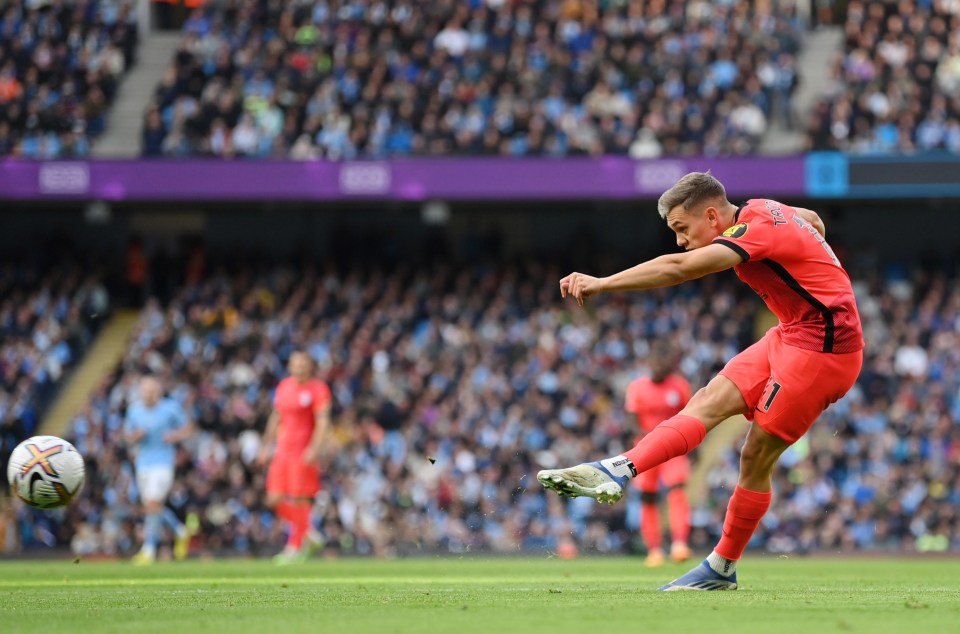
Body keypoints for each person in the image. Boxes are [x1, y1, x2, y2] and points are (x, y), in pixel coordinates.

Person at [538, 172, 863, 590]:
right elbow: (812, 219)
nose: (679, 240)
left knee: (755, 456)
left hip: (825, 351)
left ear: (712, 215)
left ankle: (721, 568)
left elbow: (679, 267)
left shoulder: (757, 225)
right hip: (791, 331)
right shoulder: (765, 208)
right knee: (706, 401)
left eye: (681, 228)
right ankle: (618, 468)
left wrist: (603, 283)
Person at [258, 351, 331, 563]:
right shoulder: (284, 387)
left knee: (300, 497)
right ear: (290, 366)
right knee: (274, 498)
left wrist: (314, 448)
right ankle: (308, 532)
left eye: (303, 365)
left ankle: (294, 546)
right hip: (282, 450)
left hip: (302, 450)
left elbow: (323, 421)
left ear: (310, 366)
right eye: (295, 365)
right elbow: (276, 417)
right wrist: (265, 446)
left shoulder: (318, 389)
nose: (299, 369)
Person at [625, 341, 693, 567]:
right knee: (648, 498)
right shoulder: (637, 388)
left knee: (677, 492)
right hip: (645, 449)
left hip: (674, 449)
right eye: (655, 362)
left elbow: (690, 415)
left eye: (663, 363)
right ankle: (654, 549)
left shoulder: (680, 386)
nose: (658, 366)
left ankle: (679, 544)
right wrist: (650, 437)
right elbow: (632, 423)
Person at [125, 376, 195, 564]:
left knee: (153, 503)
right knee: (151, 507)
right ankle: (180, 530)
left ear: (157, 392)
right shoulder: (134, 410)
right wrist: (135, 436)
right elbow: (127, 435)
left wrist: (175, 435)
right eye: (144, 391)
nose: (147, 395)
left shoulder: (170, 408)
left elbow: (189, 427)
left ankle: (148, 550)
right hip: (142, 463)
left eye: (150, 391)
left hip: (163, 463)